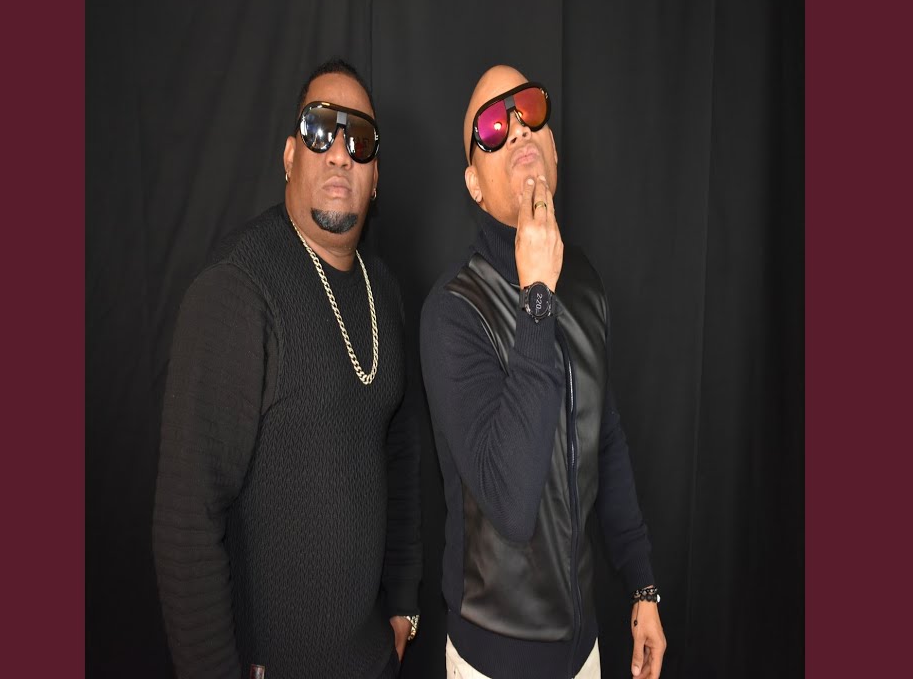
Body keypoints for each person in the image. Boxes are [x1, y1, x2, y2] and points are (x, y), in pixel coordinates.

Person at [153, 58, 421, 679]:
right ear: (289, 156)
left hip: (374, 661)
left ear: (375, 178)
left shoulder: (385, 291)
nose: (340, 153)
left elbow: (402, 452)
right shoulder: (237, 289)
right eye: (320, 129)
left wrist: (404, 600)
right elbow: (186, 522)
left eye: (360, 139)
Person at [419, 65, 666, 679]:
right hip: (492, 662)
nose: (517, 127)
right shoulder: (452, 311)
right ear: (474, 185)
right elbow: (511, 503)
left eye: (528, 109)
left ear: (553, 148)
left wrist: (642, 586)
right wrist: (536, 298)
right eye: (492, 126)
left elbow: (605, 440)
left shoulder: (583, 281)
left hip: (585, 653)